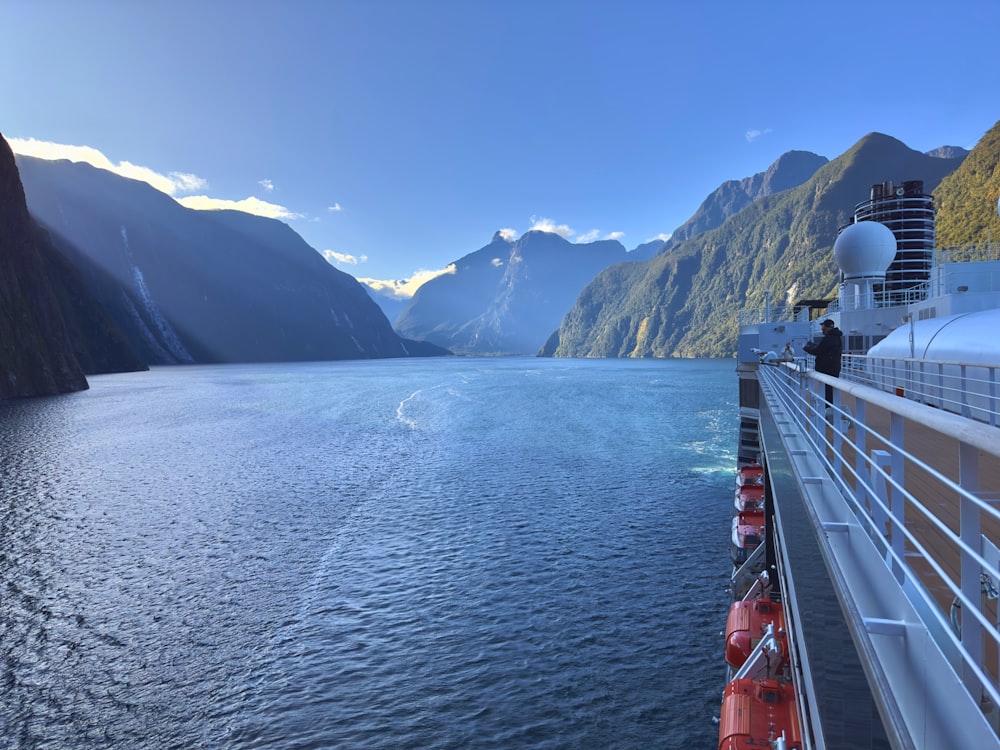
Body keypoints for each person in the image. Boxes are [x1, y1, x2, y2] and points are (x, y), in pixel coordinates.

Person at [803, 319, 843, 404]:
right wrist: (811, 345)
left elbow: (817, 350)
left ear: (827, 328)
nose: (822, 329)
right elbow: (822, 348)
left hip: (827, 369)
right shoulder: (836, 338)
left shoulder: (828, 339)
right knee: (830, 391)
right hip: (834, 368)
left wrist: (806, 347)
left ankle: (827, 411)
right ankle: (830, 410)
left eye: (823, 328)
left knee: (827, 392)